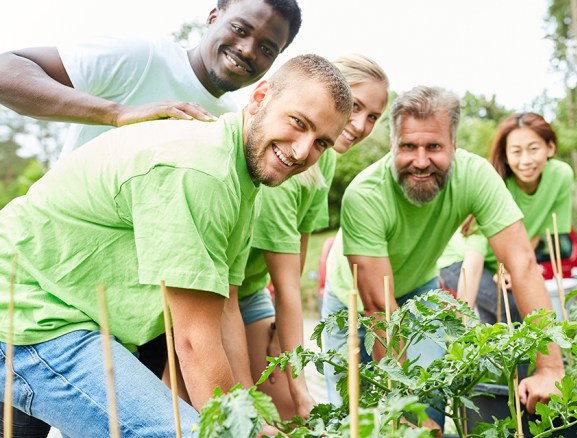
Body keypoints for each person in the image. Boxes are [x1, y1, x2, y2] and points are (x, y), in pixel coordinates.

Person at [0, 54, 352, 437]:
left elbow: (224, 310)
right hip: (31, 313)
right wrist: (243, 430)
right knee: (178, 432)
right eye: (298, 123)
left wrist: (249, 411)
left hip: (73, 313)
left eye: (320, 143)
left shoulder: (241, 172)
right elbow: (193, 341)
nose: (302, 152)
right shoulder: (201, 170)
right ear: (261, 96)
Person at [321, 87, 565, 431]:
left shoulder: (476, 176)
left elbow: (522, 264)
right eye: (408, 146)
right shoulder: (366, 195)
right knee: (351, 418)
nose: (421, 161)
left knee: (430, 395)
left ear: (453, 144)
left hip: (418, 289)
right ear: (393, 143)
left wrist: (550, 369)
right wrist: (410, 416)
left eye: (434, 147)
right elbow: (379, 308)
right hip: (352, 302)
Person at [221, 54, 389, 420]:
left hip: (249, 290)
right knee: (241, 409)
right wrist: (298, 389)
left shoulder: (321, 157)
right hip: (221, 291)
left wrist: (283, 334)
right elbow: (282, 284)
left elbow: (296, 256)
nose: (360, 125)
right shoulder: (287, 159)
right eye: (355, 107)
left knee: (283, 413)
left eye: (373, 116)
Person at [0, 0, 302, 160]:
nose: (247, 50)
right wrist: (117, 113)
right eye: (239, 28)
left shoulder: (230, 121)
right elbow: (5, 71)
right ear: (213, 18)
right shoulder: (143, 58)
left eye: (266, 48)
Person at [439, 112, 574, 323]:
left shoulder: (561, 177)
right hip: (461, 259)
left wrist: (514, 269)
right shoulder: (494, 184)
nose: (526, 161)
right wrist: (462, 323)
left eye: (534, 149)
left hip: (500, 263)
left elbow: (537, 231)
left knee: (520, 315)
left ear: (550, 148)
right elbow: (473, 258)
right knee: (515, 309)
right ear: (506, 155)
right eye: (516, 152)